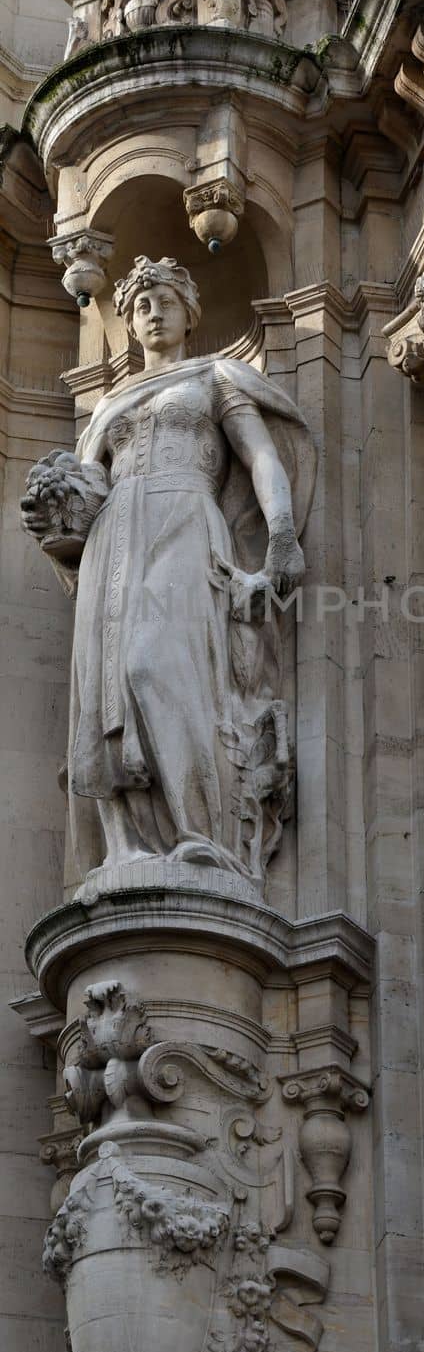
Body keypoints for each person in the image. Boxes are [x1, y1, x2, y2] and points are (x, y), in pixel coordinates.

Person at [21, 255, 316, 894]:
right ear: (128, 324)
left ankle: (200, 834)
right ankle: (123, 846)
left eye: (165, 302)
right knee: (104, 684)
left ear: (191, 313)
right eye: (141, 306)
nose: (154, 313)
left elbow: (263, 458)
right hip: (113, 535)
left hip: (185, 521)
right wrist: (54, 516)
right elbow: (86, 491)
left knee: (156, 668)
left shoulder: (214, 379)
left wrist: (283, 534)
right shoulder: (108, 406)